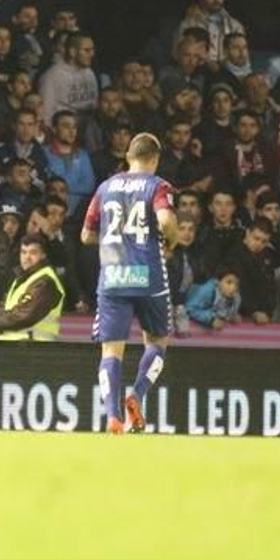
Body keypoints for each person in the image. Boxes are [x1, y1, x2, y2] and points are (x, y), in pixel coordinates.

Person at [79, 131, 178, 433]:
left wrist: (113, 237)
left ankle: (112, 417)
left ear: (128, 157)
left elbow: (85, 235)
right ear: (155, 159)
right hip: (148, 274)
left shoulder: (105, 187)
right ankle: (137, 394)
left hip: (112, 277)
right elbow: (165, 220)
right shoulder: (158, 185)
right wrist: (170, 242)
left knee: (111, 351)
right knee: (157, 342)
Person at [0, 233, 68, 342]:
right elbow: (4, 305)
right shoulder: (21, 279)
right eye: (23, 252)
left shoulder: (46, 281)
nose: (27, 257)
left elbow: (25, 315)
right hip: (19, 343)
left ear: (43, 255)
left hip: (33, 345)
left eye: (33, 253)